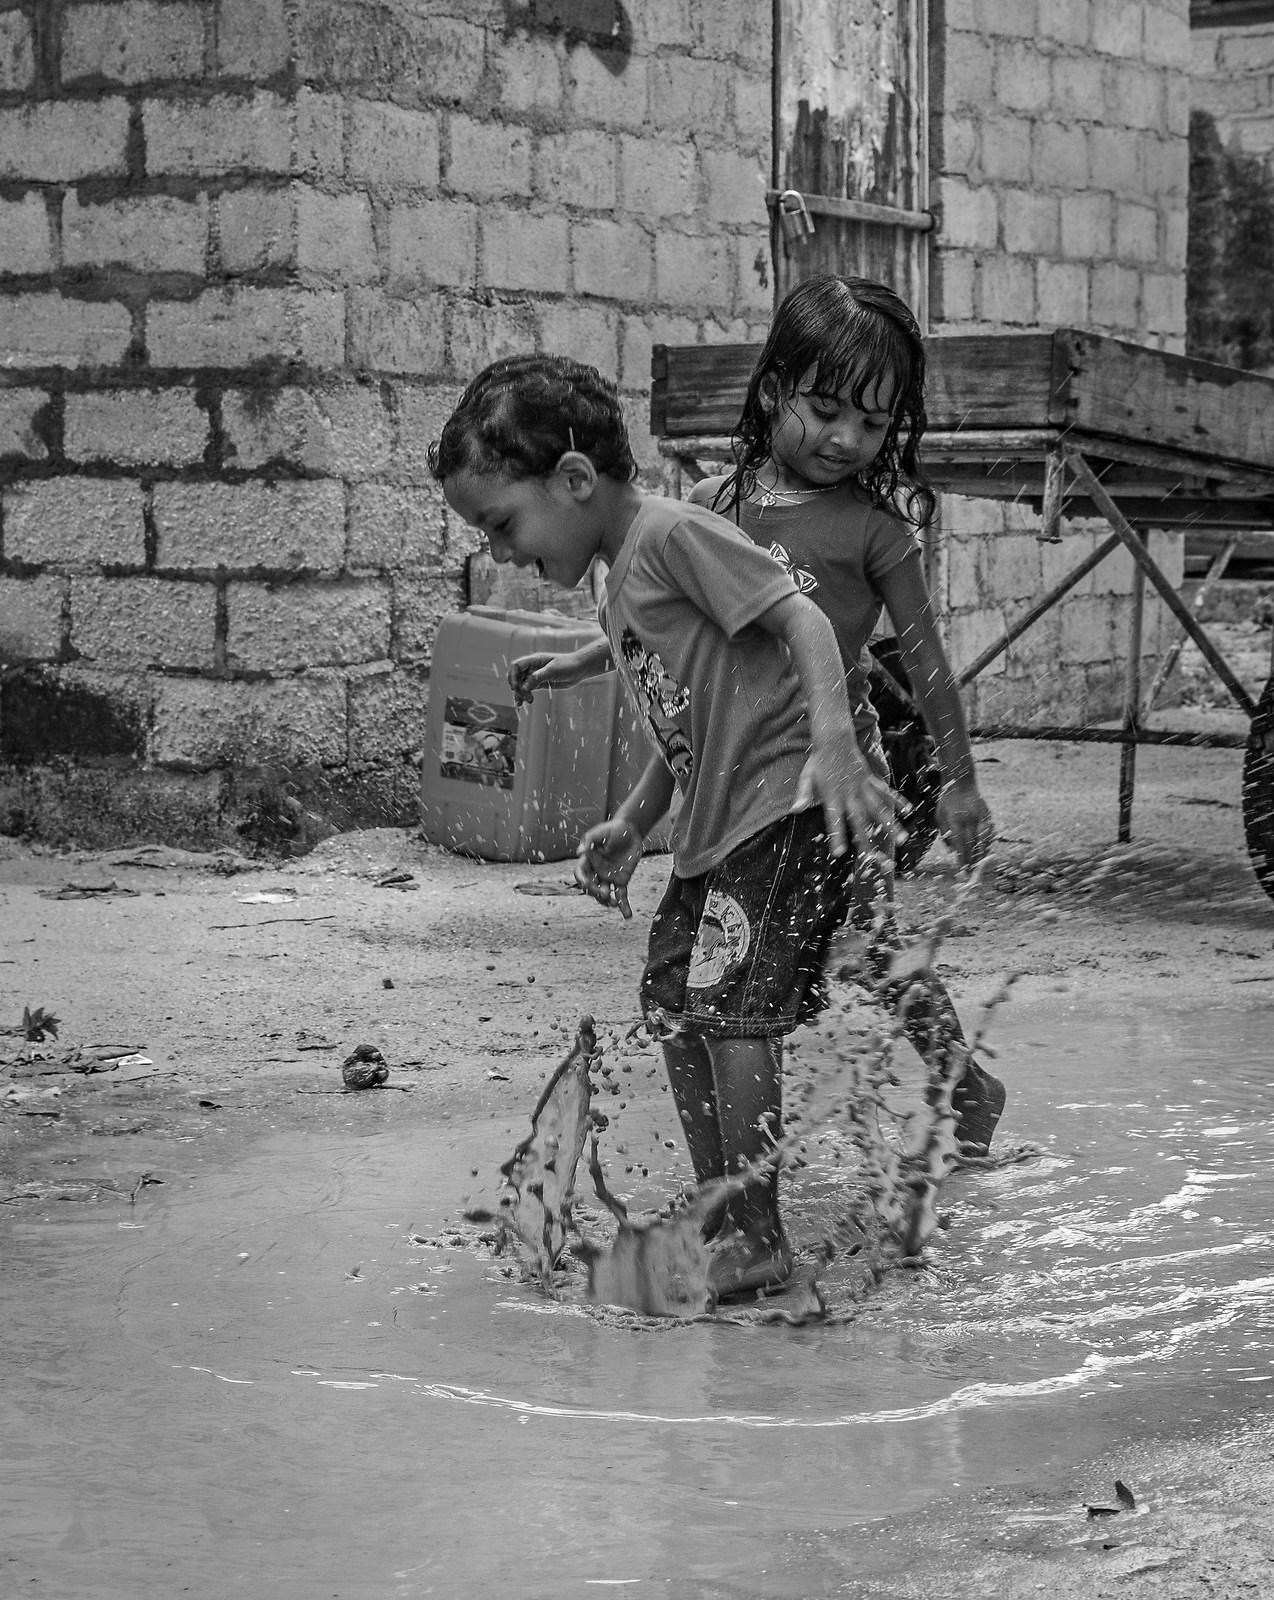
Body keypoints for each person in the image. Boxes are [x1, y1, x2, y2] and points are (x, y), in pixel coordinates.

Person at [431, 353, 899, 1302]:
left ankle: (758, 1234)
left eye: (502, 524)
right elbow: (685, 710)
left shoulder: (674, 532)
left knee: (729, 1016)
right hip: (712, 825)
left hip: (781, 809)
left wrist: (840, 749)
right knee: (673, 1009)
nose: (506, 552)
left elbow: (806, 624)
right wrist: (633, 819)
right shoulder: (620, 573)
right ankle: (726, 1211)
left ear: (573, 480)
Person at [509, 275, 1008, 1159]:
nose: (846, 439)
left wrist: (961, 783)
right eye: (825, 409)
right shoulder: (711, 506)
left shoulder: (875, 531)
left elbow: (926, 662)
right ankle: (920, 1095)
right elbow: (672, 652)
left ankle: (960, 1082)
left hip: (832, 775)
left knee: (865, 946)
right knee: (751, 966)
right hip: (729, 770)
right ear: (774, 388)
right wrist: (586, 669)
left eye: (873, 422)